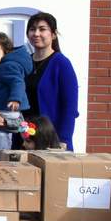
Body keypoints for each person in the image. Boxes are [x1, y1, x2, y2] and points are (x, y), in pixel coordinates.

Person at [26, 12, 78, 151]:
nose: (36, 33)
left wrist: (63, 140)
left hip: (52, 141)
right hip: (27, 139)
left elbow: (70, 108)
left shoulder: (61, 63)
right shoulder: (25, 62)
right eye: (32, 29)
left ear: (53, 34)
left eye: (42, 29)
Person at [0, 32, 33, 155]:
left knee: (3, 135)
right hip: (2, 108)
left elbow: (17, 82)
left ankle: (4, 153)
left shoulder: (9, 66)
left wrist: (15, 98)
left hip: (9, 109)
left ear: (5, 52)